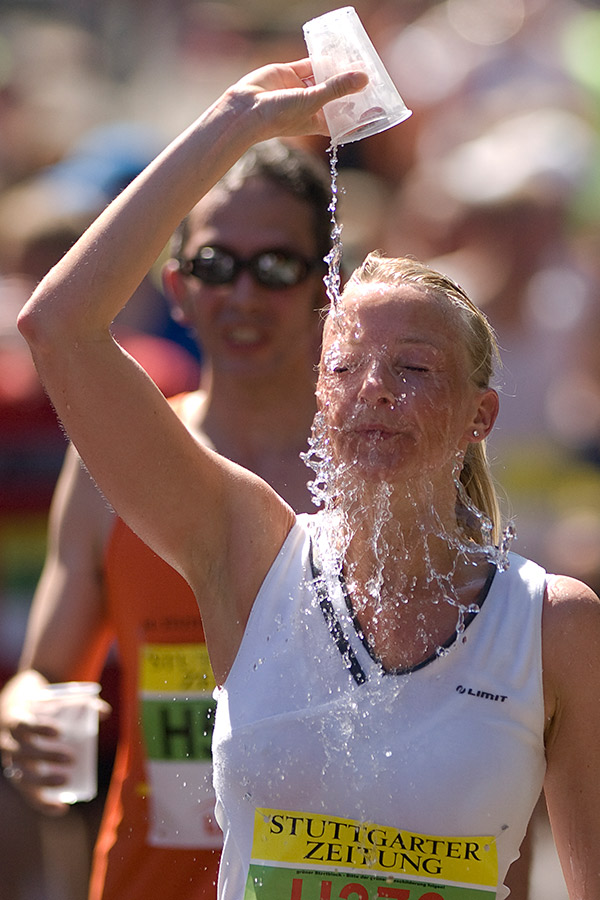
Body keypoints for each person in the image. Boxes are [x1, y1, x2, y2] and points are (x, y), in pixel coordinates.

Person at [12, 58, 600, 899]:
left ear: (481, 417)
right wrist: (233, 120)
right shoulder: (249, 549)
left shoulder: (555, 625)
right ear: (320, 394)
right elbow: (60, 327)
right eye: (349, 366)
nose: (374, 391)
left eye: (414, 367)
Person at [0, 136, 333, 900]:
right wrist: (25, 719)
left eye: (276, 267)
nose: (243, 296)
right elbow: (47, 676)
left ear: (327, 285)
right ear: (177, 288)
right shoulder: (111, 462)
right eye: (217, 267)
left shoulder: (377, 468)